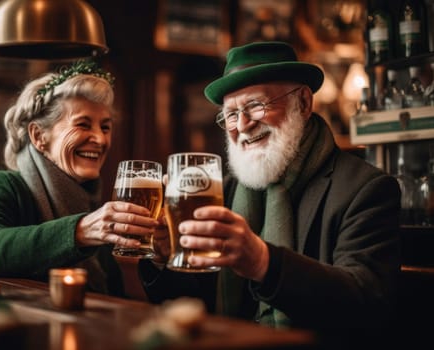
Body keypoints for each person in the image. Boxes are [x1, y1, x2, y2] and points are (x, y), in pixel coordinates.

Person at [139, 41, 401, 337]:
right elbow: (194, 304)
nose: (243, 125)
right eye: (230, 115)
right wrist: (163, 257)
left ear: (302, 102)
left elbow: (369, 304)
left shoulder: (365, 189)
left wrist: (263, 262)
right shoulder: (222, 190)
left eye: (255, 105)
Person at [0, 60, 159, 296]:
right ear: (39, 136)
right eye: (82, 124)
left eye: (105, 127)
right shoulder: (1, 186)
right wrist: (80, 231)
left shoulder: (95, 208)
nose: (99, 139)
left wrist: (156, 256)